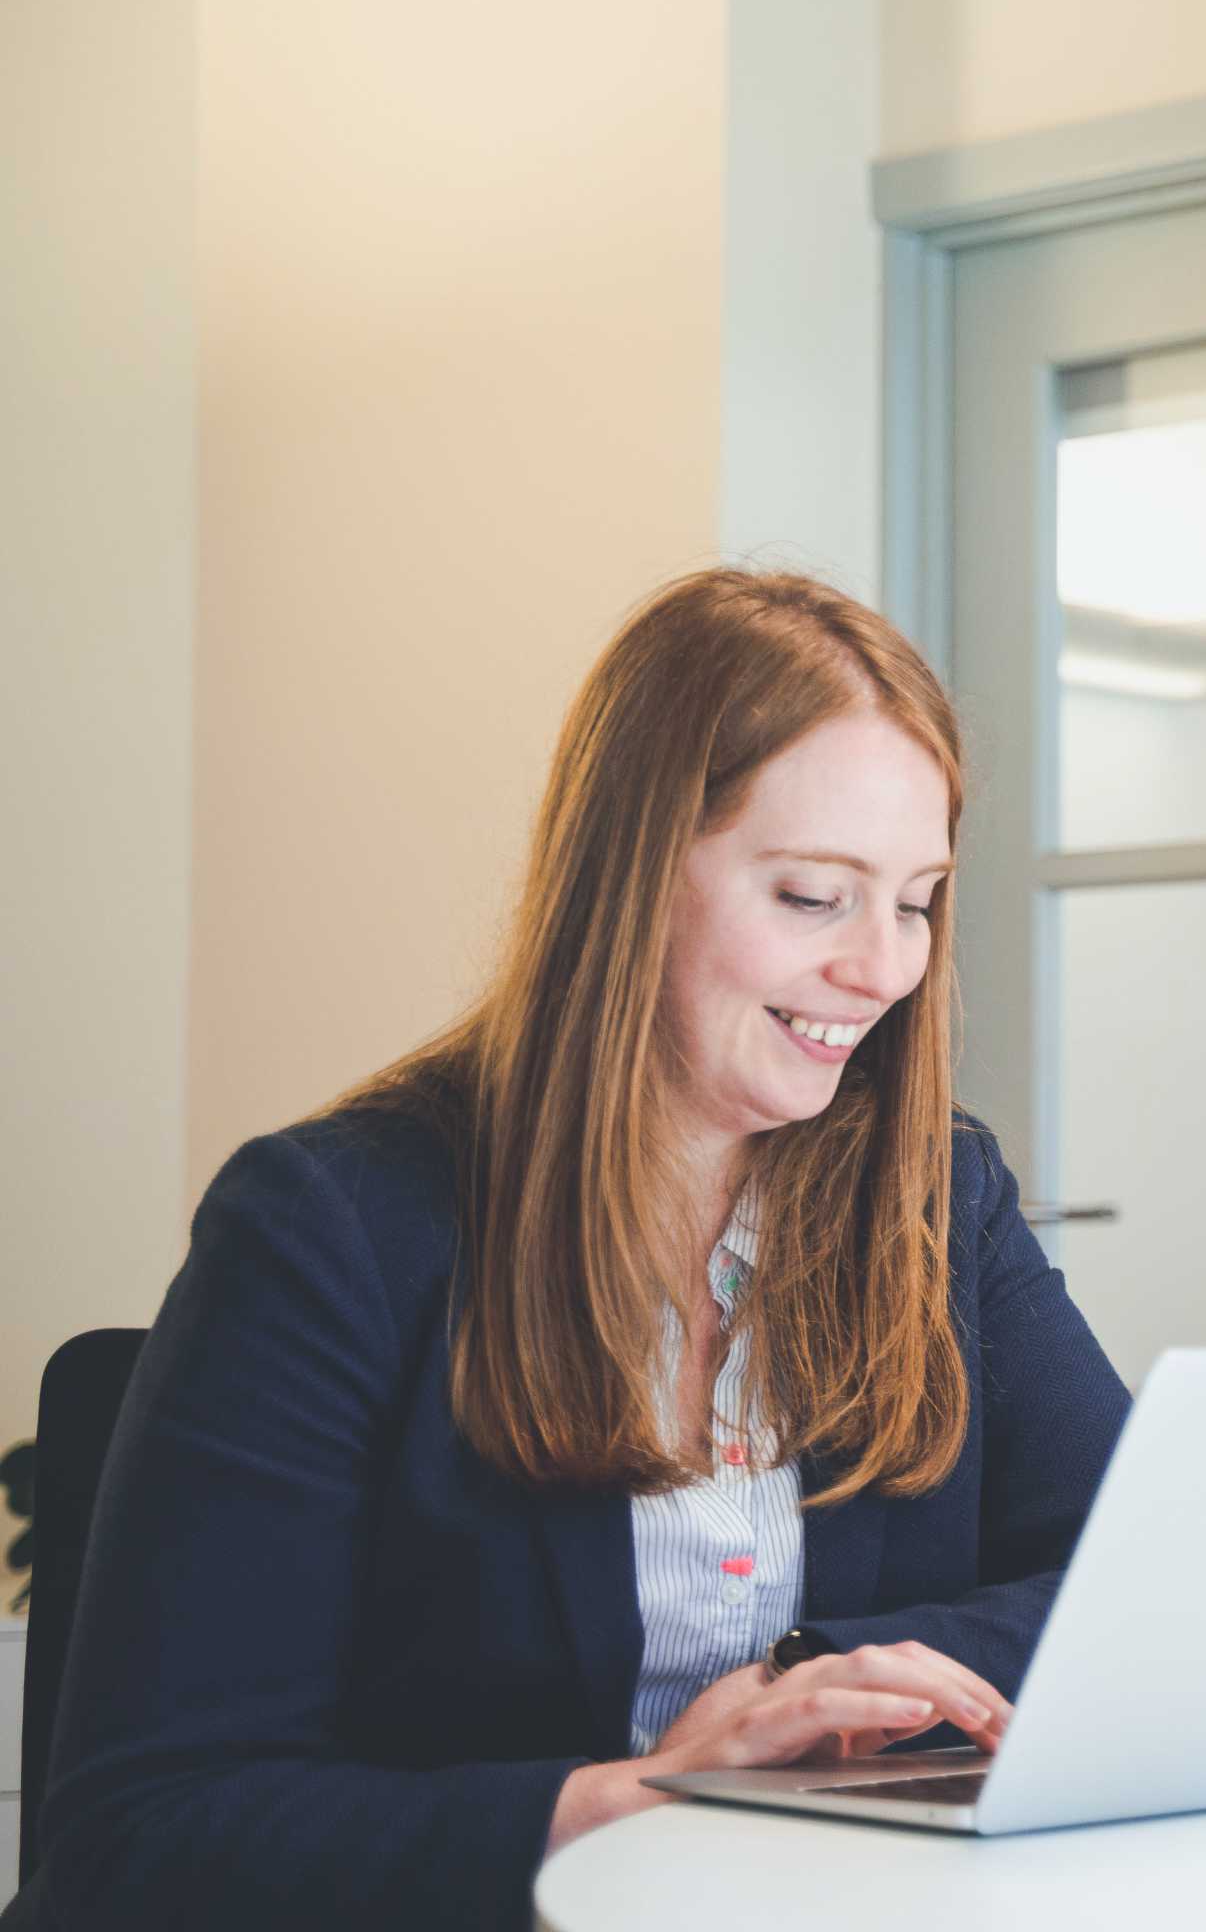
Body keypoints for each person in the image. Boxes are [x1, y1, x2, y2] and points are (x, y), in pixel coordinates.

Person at [10, 570, 1131, 1931]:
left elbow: (1136, 1581)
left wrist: (812, 1683)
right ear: (632, 875)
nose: (885, 968)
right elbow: (145, 1836)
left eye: (918, 901)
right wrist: (645, 1797)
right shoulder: (329, 1229)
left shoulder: (937, 1196)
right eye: (813, 897)